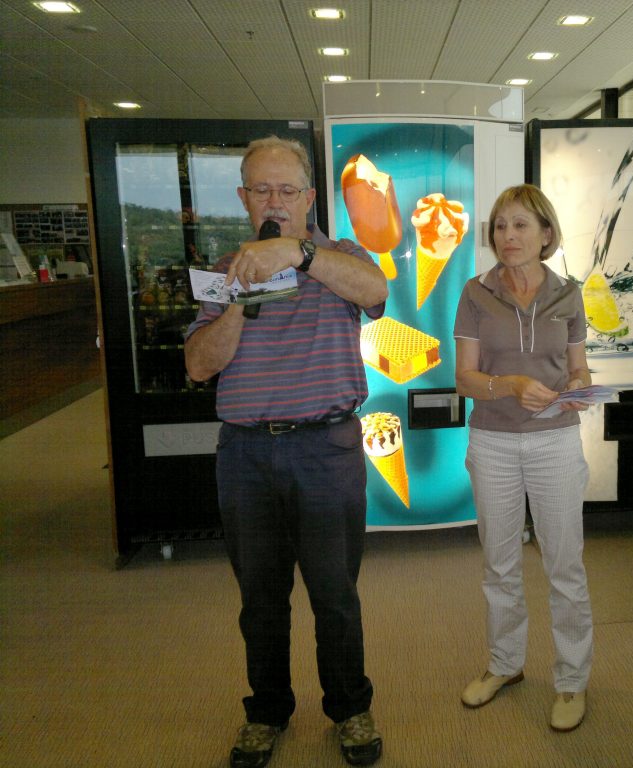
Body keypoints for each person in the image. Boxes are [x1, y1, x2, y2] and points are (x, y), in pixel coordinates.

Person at [184, 136, 388, 768]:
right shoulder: (224, 270)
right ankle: (267, 711)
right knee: (261, 600)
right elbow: (198, 366)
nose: (274, 201)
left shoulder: (341, 255)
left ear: (309, 197)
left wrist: (299, 255)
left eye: (286, 190)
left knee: (335, 594)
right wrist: (240, 298)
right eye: (261, 190)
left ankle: (349, 708)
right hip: (245, 456)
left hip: (326, 450)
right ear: (244, 198)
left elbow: (374, 290)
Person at [453, 184, 593, 733]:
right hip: (492, 441)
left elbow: (578, 368)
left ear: (546, 233)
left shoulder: (569, 294)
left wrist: (578, 386)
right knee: (499, 562)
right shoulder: (475, 292)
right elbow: (464, 379)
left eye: (520, 225)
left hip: (555, 439)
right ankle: (505, 664)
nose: (507, 236)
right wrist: (507, 384)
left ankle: (572, 678)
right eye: (500, 226)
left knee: (565, 564)